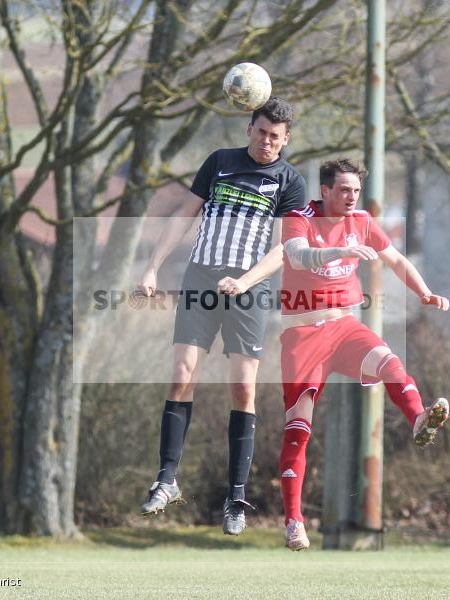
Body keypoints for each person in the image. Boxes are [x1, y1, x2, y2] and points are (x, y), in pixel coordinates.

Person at [136, 97, 307, 535]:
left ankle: (235, 496)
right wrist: (154, 267)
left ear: (285, 140)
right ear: (249, 128)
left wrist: (247, 281)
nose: (267, 142)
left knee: (242, 388)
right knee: (180, 375)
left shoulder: (290, 181)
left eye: (276, 137)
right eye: (262, 132)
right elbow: (183, 218)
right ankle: (166, 479)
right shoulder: (220, 163)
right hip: (200, 278)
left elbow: (285, 248)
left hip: (249, 291)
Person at [277, 158, 450, 550]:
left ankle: (419, 418)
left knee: (390, 361)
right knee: (298, 431)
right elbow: (300, 256)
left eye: (355, 190)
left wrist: (423, 291)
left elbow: (397, 260)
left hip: (344, 328)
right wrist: (340, 250)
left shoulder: (364, 222)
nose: (351, 197)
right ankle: (294, 521)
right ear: (324, 191)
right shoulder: (298, 217)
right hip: (302, 336)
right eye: (343, 190)